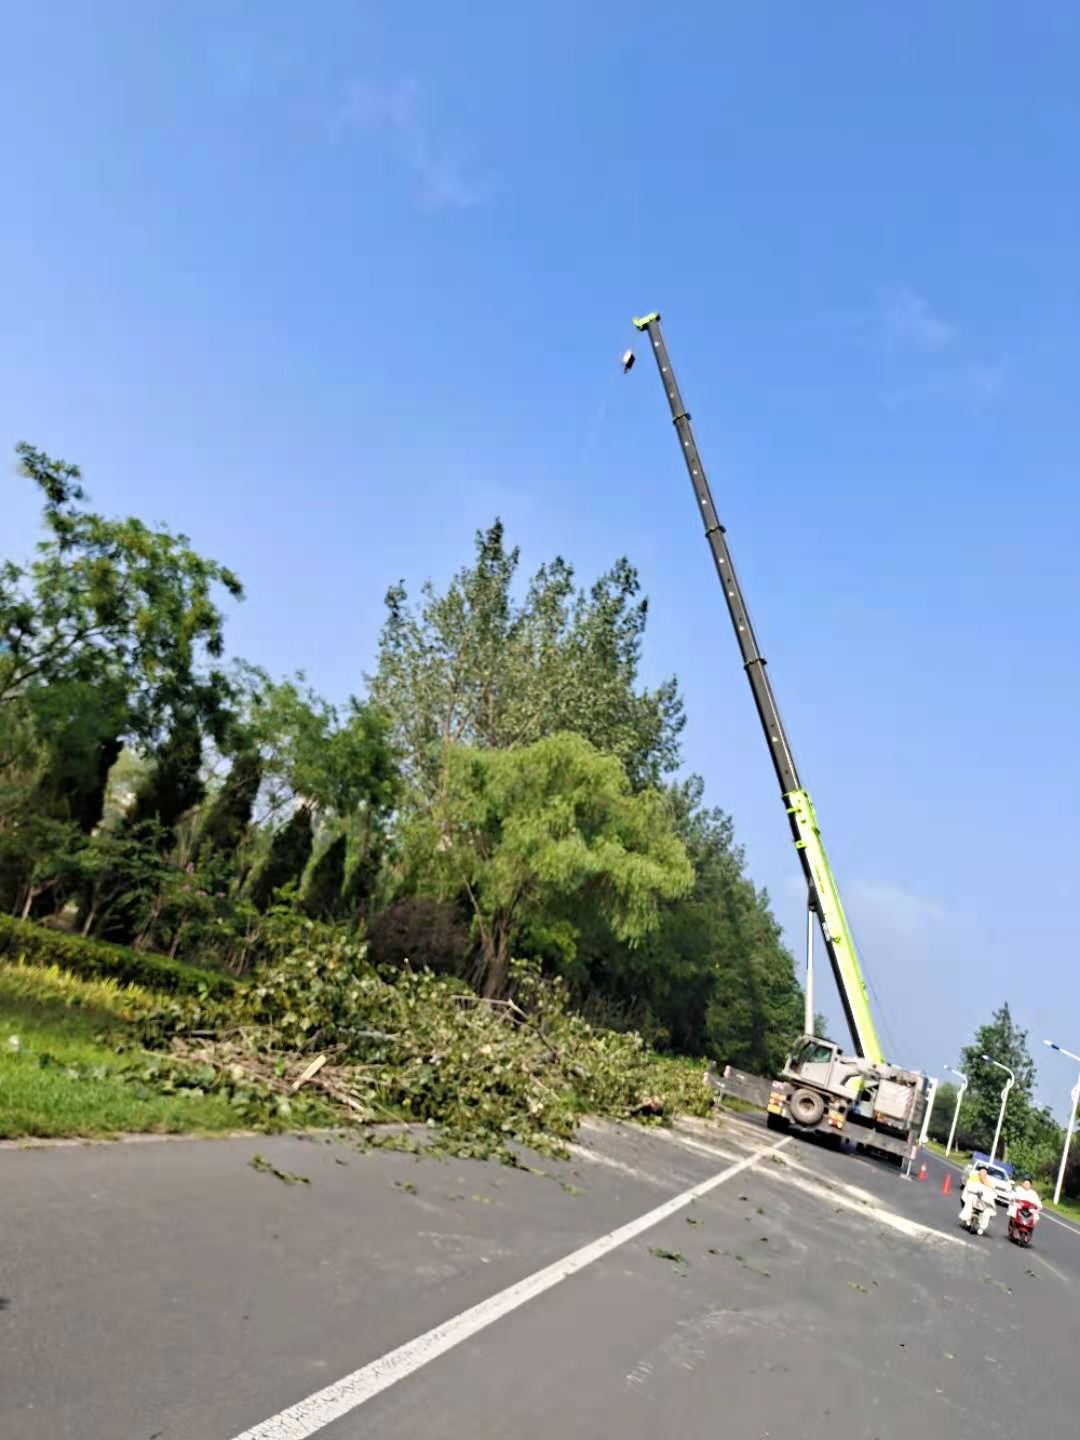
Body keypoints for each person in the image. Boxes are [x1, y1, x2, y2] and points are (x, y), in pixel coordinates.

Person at [959, 1165, 996, 1234]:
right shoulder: (974, 1178)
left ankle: (982, 1227)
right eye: (982, 1172)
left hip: (983, 1201)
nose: (983, 1174)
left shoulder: (988, 1181)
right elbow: (969, 1186)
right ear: (979, 1172)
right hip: (973, 1197)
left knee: (988, 1211)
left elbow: (992, 1190)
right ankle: (967, 1220)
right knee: (967, 1205)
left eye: (985, 1173)